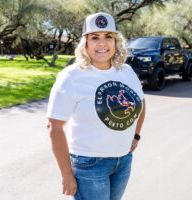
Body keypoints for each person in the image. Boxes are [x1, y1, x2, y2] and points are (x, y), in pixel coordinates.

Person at [47, 12, 146, 200]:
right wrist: (66, 174)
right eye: (95, 37)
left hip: (123, 160)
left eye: (108, 36)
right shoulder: (71, 76)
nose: (102, 43)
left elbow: (141, 103)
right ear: (85, 44)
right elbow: (54, 127)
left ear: (116, 42)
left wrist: (136, 137)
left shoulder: (126, 71)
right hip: (89, 165)